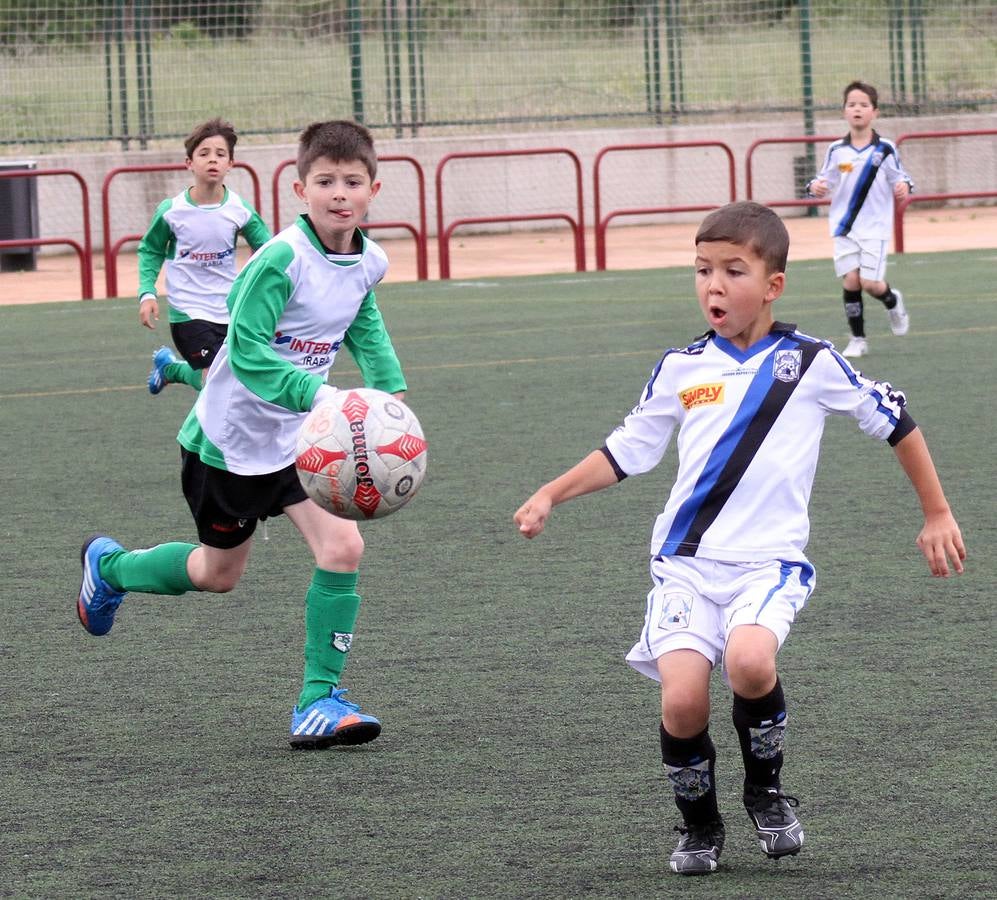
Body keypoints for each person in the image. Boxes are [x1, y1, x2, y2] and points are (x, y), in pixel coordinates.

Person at [513, 201, 965, 876]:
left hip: (768, 565)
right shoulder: (680, 367)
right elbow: (627, 450)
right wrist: (550, 492)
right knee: (682, 697)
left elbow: (893, 418)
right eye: (701, 270)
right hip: (685, 567)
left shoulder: (809, 361)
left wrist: (936, 512)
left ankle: (765, 790)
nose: (712, 285)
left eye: (732, 270)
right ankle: (699, 824)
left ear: (772, 285)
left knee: (750, 661)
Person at [78, 120, 407, 750]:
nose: (340, 193)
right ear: (299, 187)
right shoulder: (280, 259)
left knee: (343, 548)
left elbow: (361, 313)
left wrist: (387, 389)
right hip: (227, 442)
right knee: (217, 574)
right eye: (325, 181)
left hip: (302, 439)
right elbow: (249, 353)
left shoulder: (370, 259)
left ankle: (319, 700)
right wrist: (323, 394)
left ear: (374, 189)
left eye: (353, 182)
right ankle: (112, 568)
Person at [137, 117, 272, 393]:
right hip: (188, 311)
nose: (213, 160)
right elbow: (150, 250)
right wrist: (147, 292)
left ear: (230, 164)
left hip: (229, 309)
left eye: (221, 154)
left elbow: (269, 250)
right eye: (204, 154)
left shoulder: (239, 210)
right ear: (189, 163)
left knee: (236, 380)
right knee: (215, 381)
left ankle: (170, 369)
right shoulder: (172, 211)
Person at [806, 81, 914, 358]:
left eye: (864, 105)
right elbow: (824, 180)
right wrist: (815, 187)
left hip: (875, 228)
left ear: (875, 112)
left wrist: (904, 187)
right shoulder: (836, 150)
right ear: (844, 111)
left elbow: (900, 178)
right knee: (851, 281)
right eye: (852, 104)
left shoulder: (885, 149)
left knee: (870, 284)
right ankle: (858, 339)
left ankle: (891, 299)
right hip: (844, 227)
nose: (857, 109)